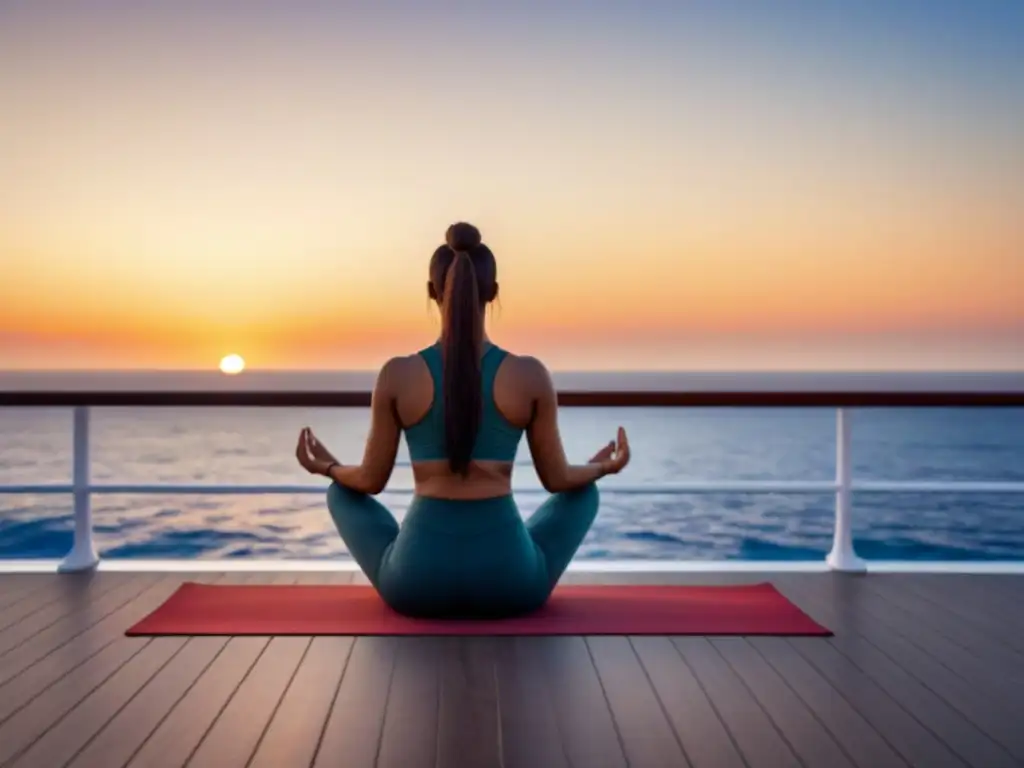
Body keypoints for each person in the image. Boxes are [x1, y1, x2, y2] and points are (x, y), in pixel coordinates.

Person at [294, 222, 630, 619]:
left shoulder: (397, 374)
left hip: (416, 584)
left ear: (431, 291)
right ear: (493, 293)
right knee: (584, 492)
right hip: (511, 585)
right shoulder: (529, 374)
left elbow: (370, 481)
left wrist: (328, 467)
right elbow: (557, 480)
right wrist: (602, 467)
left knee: (340, 491)